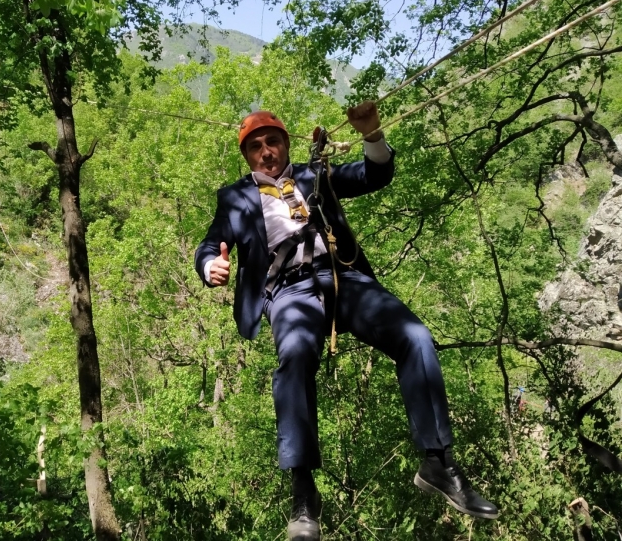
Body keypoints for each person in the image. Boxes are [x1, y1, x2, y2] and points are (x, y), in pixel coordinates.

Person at [194, 102, 499, 540]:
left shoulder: (314, 176)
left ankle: (438, 462)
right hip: (289, 290)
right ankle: (303, 494)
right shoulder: (234, 198)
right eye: (256, 146)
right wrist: (211, 268)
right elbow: (209, 246)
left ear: (286, 144)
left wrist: (372, 134)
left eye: (273, 141)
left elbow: (374, 175)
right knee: (295, 357)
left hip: (342, 275)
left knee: (415, 337)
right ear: (246, 155)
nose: (266, 152)